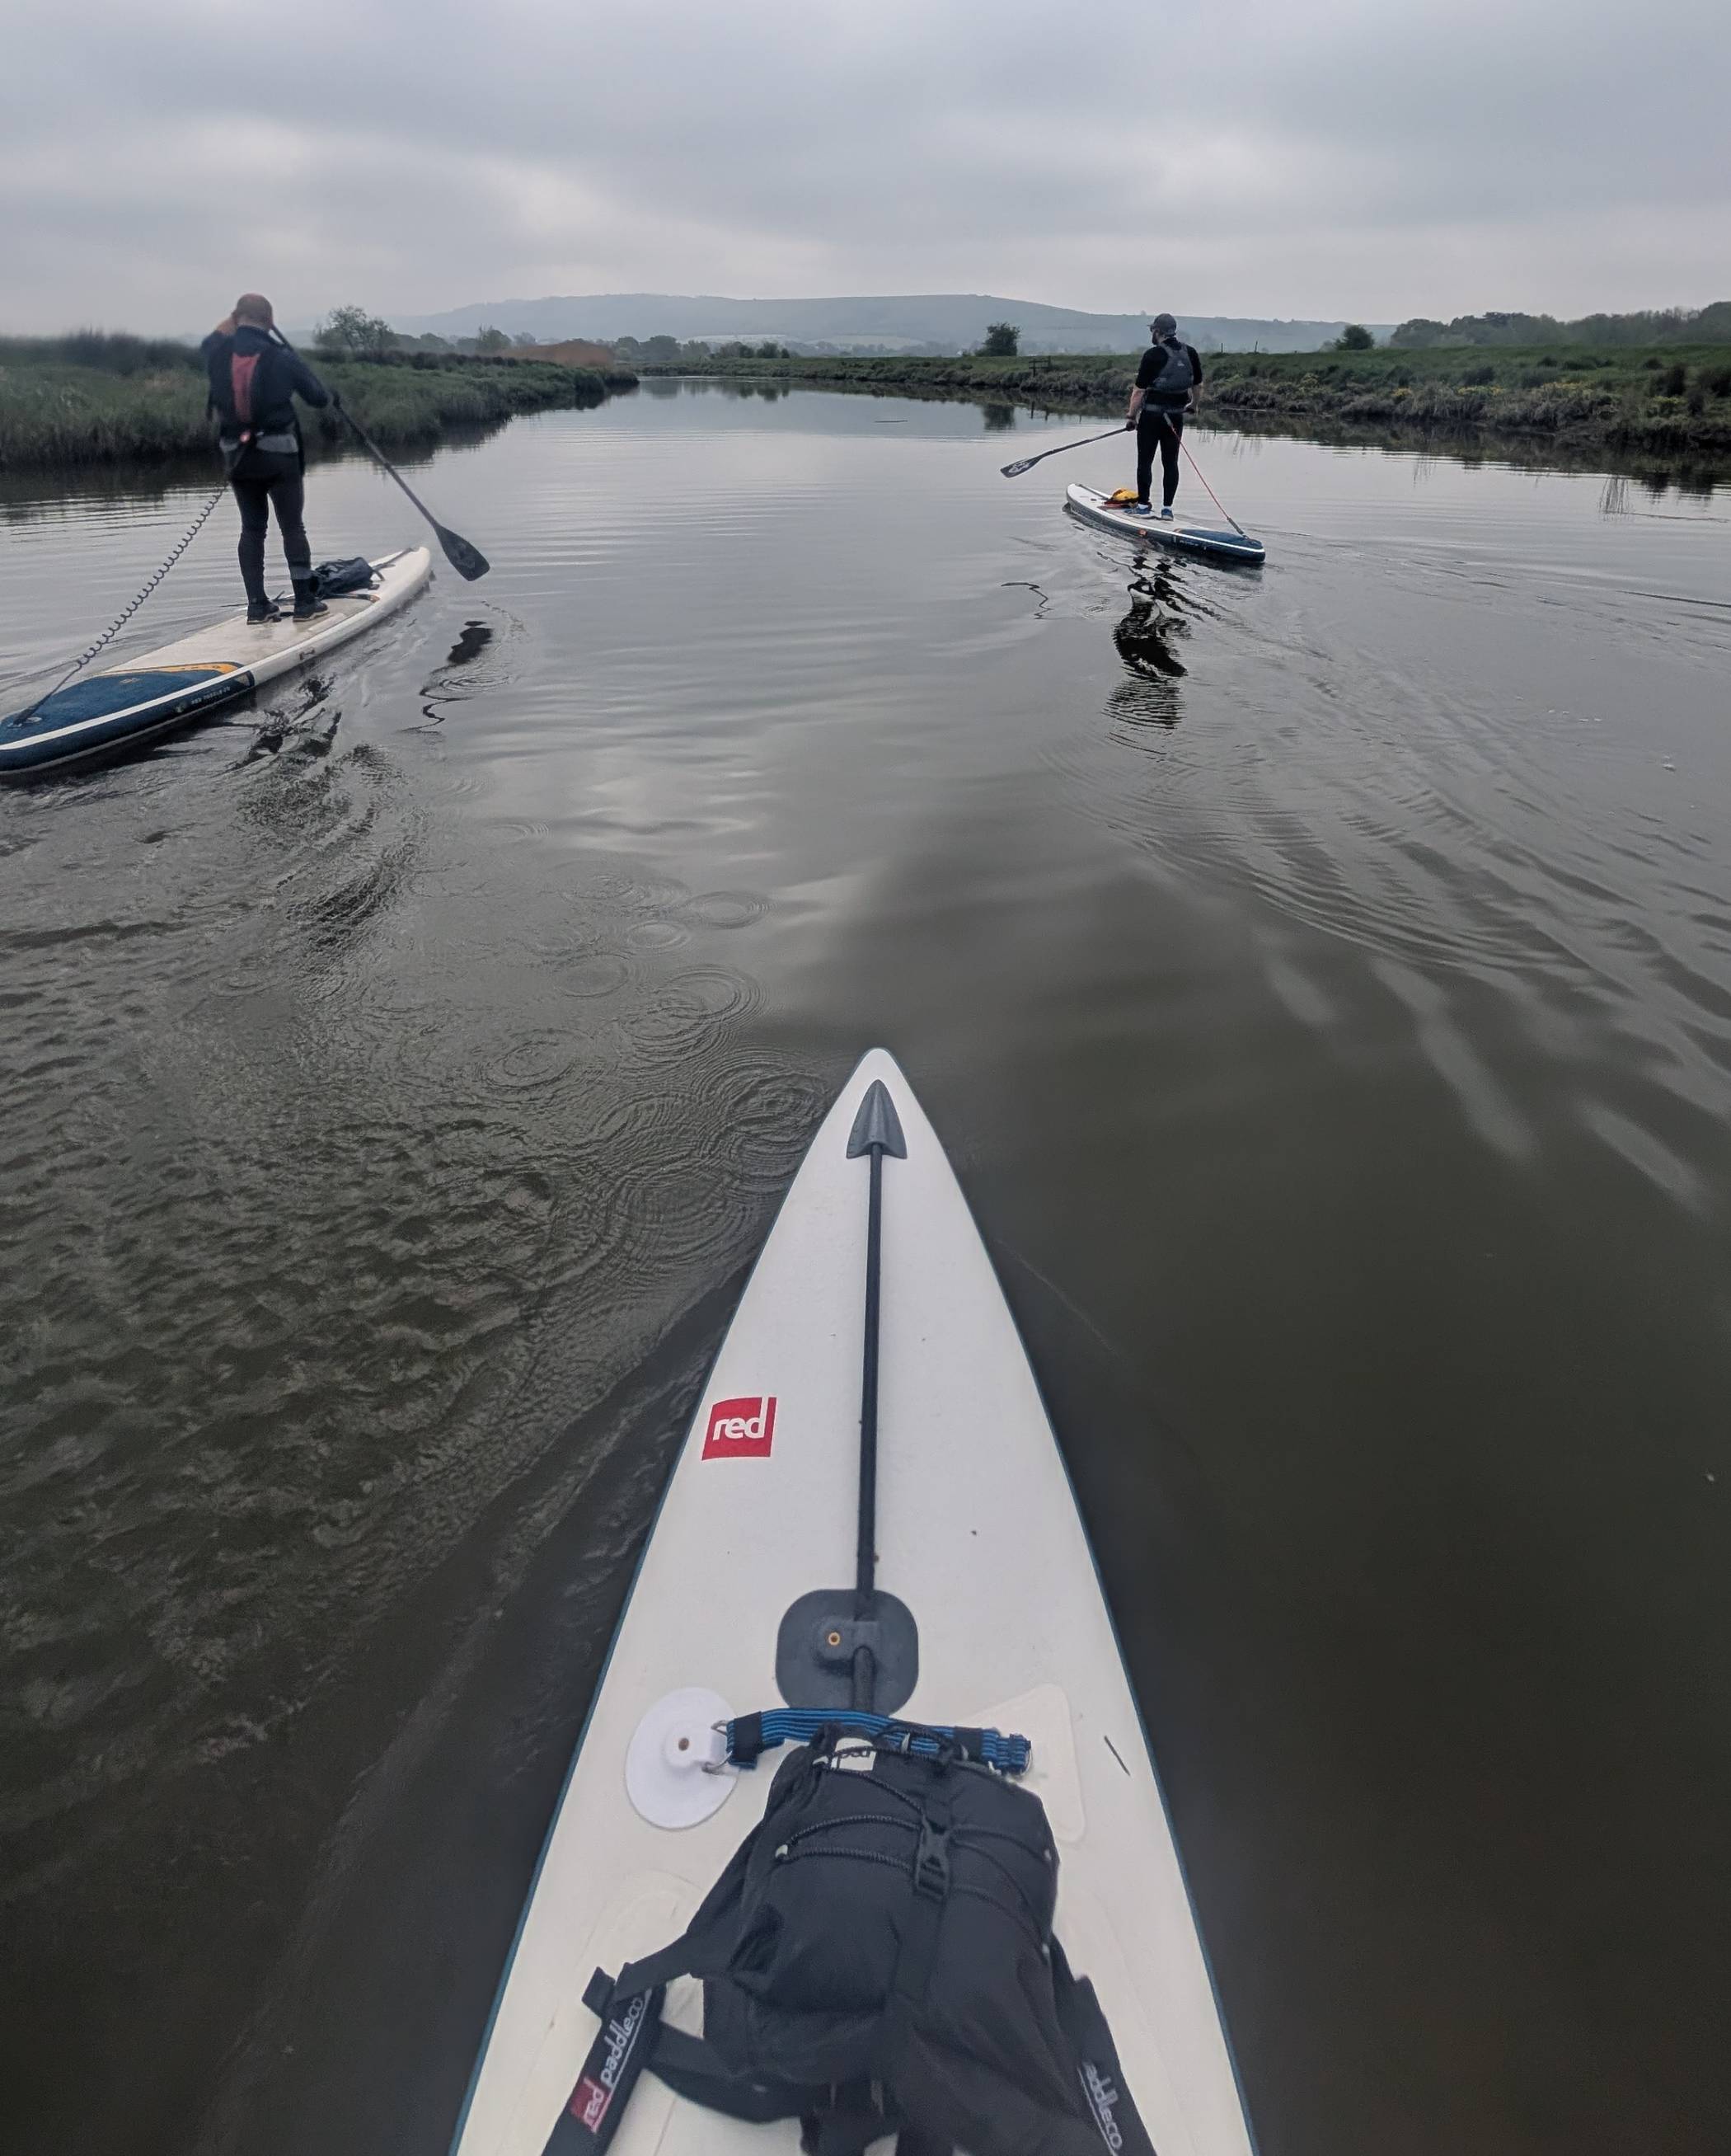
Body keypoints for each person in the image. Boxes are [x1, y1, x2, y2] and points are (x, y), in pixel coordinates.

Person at [202, 294, 332, 622]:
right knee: (292, 526)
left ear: (236, 319)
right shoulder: (280, 356)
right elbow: (318, 398)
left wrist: (233, 321)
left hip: (237, 457)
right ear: (270, 322)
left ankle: (257, 606)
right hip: (279, 456)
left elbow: (210, 341)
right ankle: (305, 603)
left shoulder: (218, 353)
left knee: (252, 528)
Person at [1124, 312, 1204, 519]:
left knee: (1145, 461)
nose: (1152, 333)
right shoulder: (1191, 353)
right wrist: (1193, 405)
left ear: (1158, 331)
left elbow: (1139, 391)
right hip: (1175, 417)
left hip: (1151, 417)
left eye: (1152, 330)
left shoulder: (1152, 355)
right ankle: (1167, 510)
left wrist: (1131, 417)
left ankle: (1143, 507)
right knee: (1171, 462)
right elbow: (1198, 386)